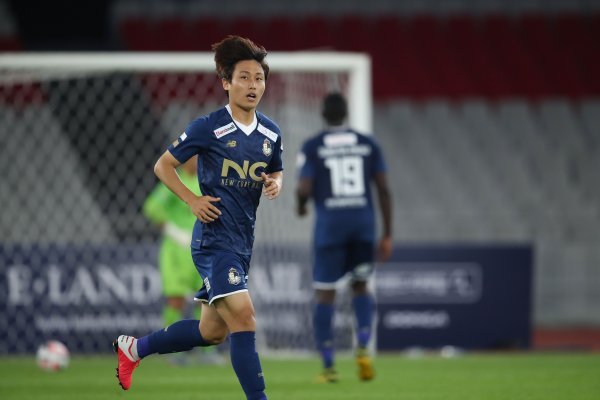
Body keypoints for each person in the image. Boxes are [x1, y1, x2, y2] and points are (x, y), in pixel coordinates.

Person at [114, 35, 283, 400]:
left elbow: (276, 169)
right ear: (226, 82)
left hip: (242, 242)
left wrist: (275, 182)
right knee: (245, 317)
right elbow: (163, 166)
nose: (253, 85)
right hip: (213, 240)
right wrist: (191, 199)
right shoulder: (208, 126)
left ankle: (134, 349)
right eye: (244, 77)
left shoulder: (271, 132)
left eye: (259, 78)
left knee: (212, 332)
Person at [296, 92, 392, 383]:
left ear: (323, 115)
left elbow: (303, 188)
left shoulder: (313, 146)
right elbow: (383, 189)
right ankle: (363, 345)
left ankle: (328, 367)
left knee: (325, 294)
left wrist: (301, 206)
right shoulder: (368, 143)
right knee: (361, 287)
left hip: (330, 230)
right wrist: (388, 234)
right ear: (346, 113)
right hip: (363, 228)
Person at [142, 155, 224, 365]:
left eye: (197, 156)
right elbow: (151, 207)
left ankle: (206, 350)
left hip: (202, 248)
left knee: (206, 299)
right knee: (176, 299)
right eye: (190, 156)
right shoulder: (174, 181)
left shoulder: (206, 180)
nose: (194, 161)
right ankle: (173, 350)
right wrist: (173, 230)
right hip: (176, 250)